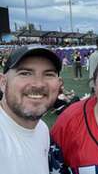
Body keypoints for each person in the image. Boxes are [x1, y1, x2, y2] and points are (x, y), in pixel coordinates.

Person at [0, 46, 63, 174]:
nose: (38, 84)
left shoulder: (42, 129)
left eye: (49, 74)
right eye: (25, 73)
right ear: (3, 82)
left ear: (59, 84)